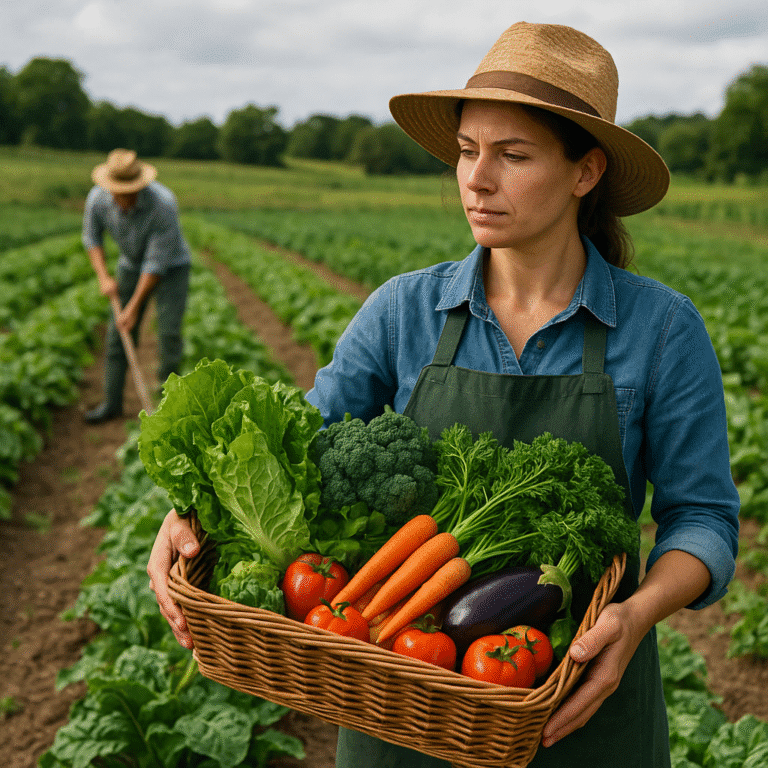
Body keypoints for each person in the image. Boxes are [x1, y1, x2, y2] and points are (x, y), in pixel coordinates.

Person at [147, 21, 739, 768]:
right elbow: (293, 446)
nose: (476, 179)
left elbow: (705, 520)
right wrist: (191, 513)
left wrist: (636, 613)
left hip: (577, 697)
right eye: (467, 151)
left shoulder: (661, 330)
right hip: (396, 693)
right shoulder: (402, 311)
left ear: (584, 173)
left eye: (512, 156)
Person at [82, 148, 191, 423]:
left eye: (129, 193)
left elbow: (155, 265)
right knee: (117, 335)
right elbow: (91, 237)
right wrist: (104, 277)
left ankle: (170, 409)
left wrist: (132, 307)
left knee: (168, 334)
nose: (124, 199)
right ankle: (112, 403)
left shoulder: (163, 204)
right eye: (119, 193)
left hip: (172, 268)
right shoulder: (97, 199)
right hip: (129, 265)